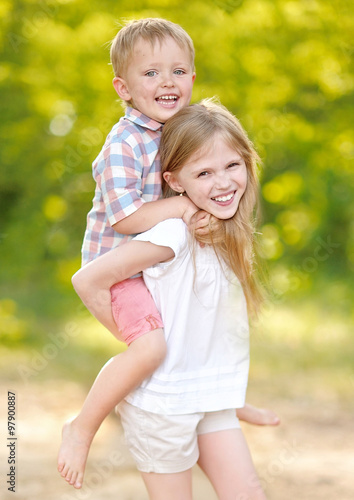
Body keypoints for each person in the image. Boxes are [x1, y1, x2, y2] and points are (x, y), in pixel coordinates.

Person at [57, 18, 279, 490]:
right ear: (124, 87)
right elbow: (123, 218)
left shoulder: (178, 130)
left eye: (178, 71)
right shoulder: (125, 143)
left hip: (153, 261)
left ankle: (221, 396)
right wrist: (182, 207)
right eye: (151, 73)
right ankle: (83, 426)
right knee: (153, 347)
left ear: (193, 78)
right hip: (118, 266)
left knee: (201, 316)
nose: (167, 83)